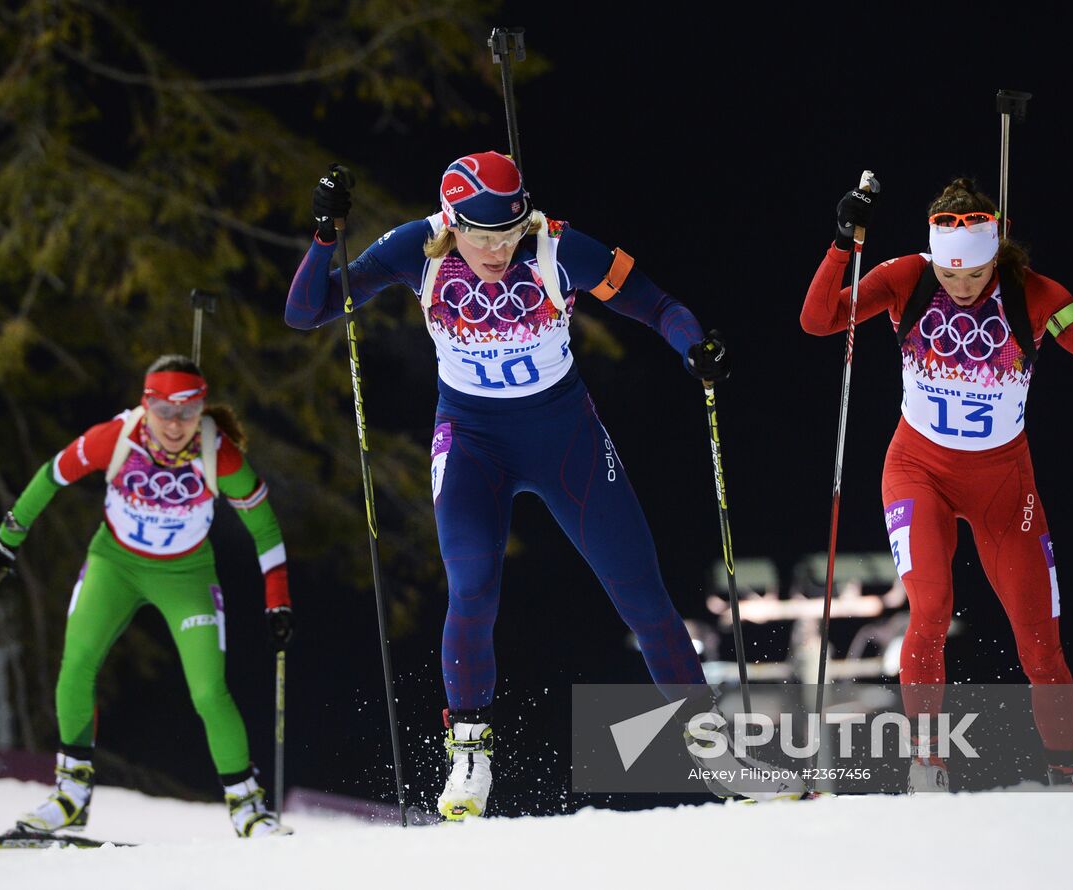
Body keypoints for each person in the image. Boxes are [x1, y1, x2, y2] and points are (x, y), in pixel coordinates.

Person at [285, 151, 782, 819]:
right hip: (472, 443)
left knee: (642, 594)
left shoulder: (558, 249)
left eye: (507, 235)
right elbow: (306, 311)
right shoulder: (416, 248)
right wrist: (324, 236)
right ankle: (469, 756)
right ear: (451, 223)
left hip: (564, 439)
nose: (495, 252)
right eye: (480, 237)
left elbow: (659, 306)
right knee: (472, 586)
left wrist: (695, 349)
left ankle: (714, 750)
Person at [801, 176, 1073, 790]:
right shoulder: (909, 276)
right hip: (917, 471)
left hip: (1003, 486)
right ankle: (927, 763)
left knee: (1040, 644)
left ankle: (1068, 766)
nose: (961, 289)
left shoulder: (1034, 294)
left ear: (996, 258)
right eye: (952, 276)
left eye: (976, 277)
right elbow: (818, 319)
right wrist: (840, 242)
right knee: (930, 609)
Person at [0, 356, 297, 837]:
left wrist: (278, 597)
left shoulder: (219, 454)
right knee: (77, 665)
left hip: (185, 576)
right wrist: (7, 537)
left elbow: (264, 525)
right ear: (146, 406)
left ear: (201, 410)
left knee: (209, 691)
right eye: (163, 411)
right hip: (116, 565)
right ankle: (70, 795)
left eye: (187, 412)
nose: (174, 425)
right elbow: (53, 475)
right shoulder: (117, 438)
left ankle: (247, 806)